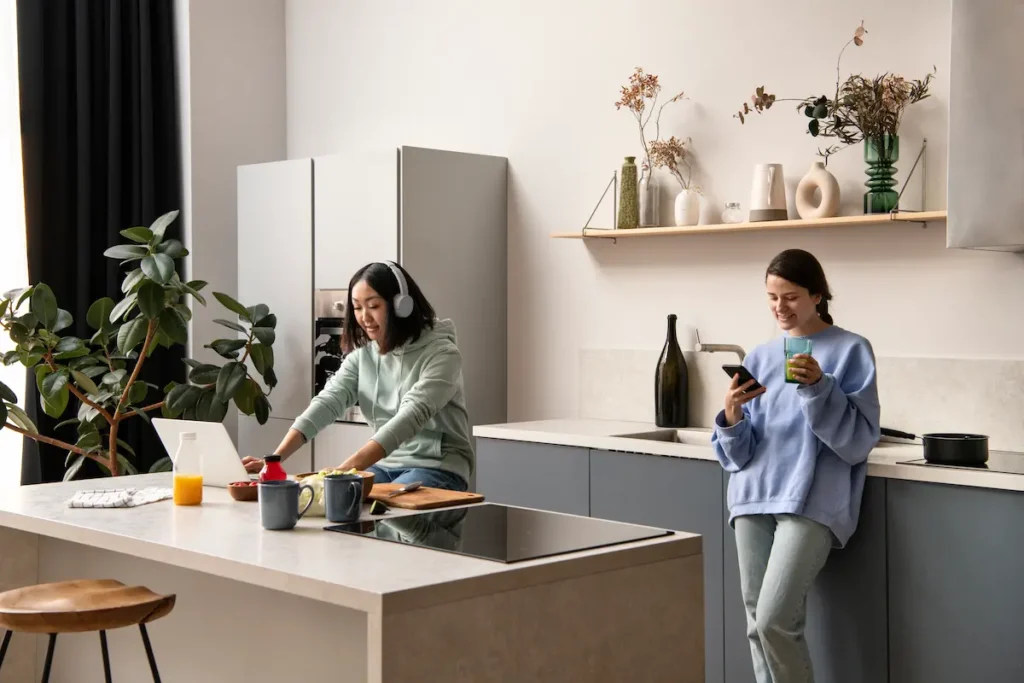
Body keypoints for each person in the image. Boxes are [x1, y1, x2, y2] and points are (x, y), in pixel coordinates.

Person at [712, 249, 880, 683]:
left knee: (774, 620)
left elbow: (858, 440)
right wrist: (731, 415)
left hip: (811, 501)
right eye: (771, 297)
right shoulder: (762, 356)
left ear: (817, 295)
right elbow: (740, 451)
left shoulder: (850, 350)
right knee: (756, 625)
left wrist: (819, 387)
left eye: (790, 297)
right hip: (752, 496)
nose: (779, 307)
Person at [242, 261, 473, 492]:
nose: (364, 317)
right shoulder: (363, 356)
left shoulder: (443, 354)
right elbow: (327, 403)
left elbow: (410, 417)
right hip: (386, 465)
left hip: (438, 467)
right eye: (357, 307)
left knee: (374, 501)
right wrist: (274, 461)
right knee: (337, 497)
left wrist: (342, 471)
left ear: (401, 306)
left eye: (373, 305)